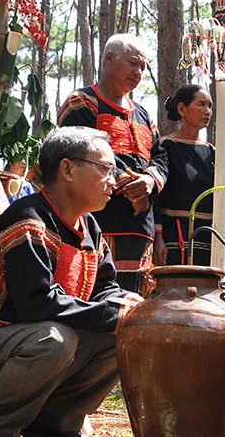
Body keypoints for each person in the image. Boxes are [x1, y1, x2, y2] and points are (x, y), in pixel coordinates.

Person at [0, 126, 143, 437]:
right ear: (68, 169)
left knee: (123, 333)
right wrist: (116, 313)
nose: (114, 180)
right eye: (105, 169)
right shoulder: (28, 220)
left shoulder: (90, 229)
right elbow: (37, 304)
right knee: (55, 339)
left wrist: (129, 307)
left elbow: (105, 287)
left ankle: (51, 428)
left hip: (31, 352)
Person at [58, 33, 168, 293]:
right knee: (93, 288)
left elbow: (160, 156)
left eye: (142, 67)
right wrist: (130, 187)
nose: (139, 72)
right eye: (133, 63)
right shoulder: (81, 102)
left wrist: (149, 181)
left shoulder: (142, 113)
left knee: (136, 296)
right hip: (97, 218)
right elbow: (80, 149)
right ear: (109, 59)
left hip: (140, 226)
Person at [153, 84, 214, 266]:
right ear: (182, 109)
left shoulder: (212, 152)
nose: (207, 111)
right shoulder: (165, 146)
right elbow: (156, 197)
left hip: (207, 237)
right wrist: (158, 238)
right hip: (174, 236)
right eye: (201, 104)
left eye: (210, 106)